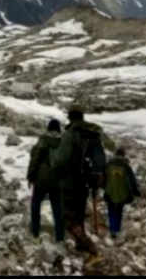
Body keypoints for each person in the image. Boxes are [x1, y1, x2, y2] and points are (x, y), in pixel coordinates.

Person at [50, 107, 106, 261]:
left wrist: (53, 161)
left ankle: (90, 248)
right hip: (85, 183)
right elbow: (101, 160)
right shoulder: (92, 134)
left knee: (67, 216)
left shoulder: (70, 134)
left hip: (69, 182)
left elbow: (61, 159)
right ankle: (80, 245)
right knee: (79, 214)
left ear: (70, 117)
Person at [27, 119, 64, 243]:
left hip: (41, 179)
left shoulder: (43, 140)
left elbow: (35, 159)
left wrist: (30, 176)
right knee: (57, 208)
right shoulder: (63, 142)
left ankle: (35, 232)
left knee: (36, 204)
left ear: (48, 128)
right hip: (57, 180)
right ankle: (59, 236)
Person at [104, 147, 141, 241]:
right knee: (119, 211)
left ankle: (112, 230)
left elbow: (103, 178)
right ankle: (117, 229)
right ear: (124, 155)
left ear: (115, 154)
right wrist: (136, 192)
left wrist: (103, 187)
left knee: (111, 211)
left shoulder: (109, 164)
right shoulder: (126, 166)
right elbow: (132, 181)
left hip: (110, 192)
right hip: (122, 194)